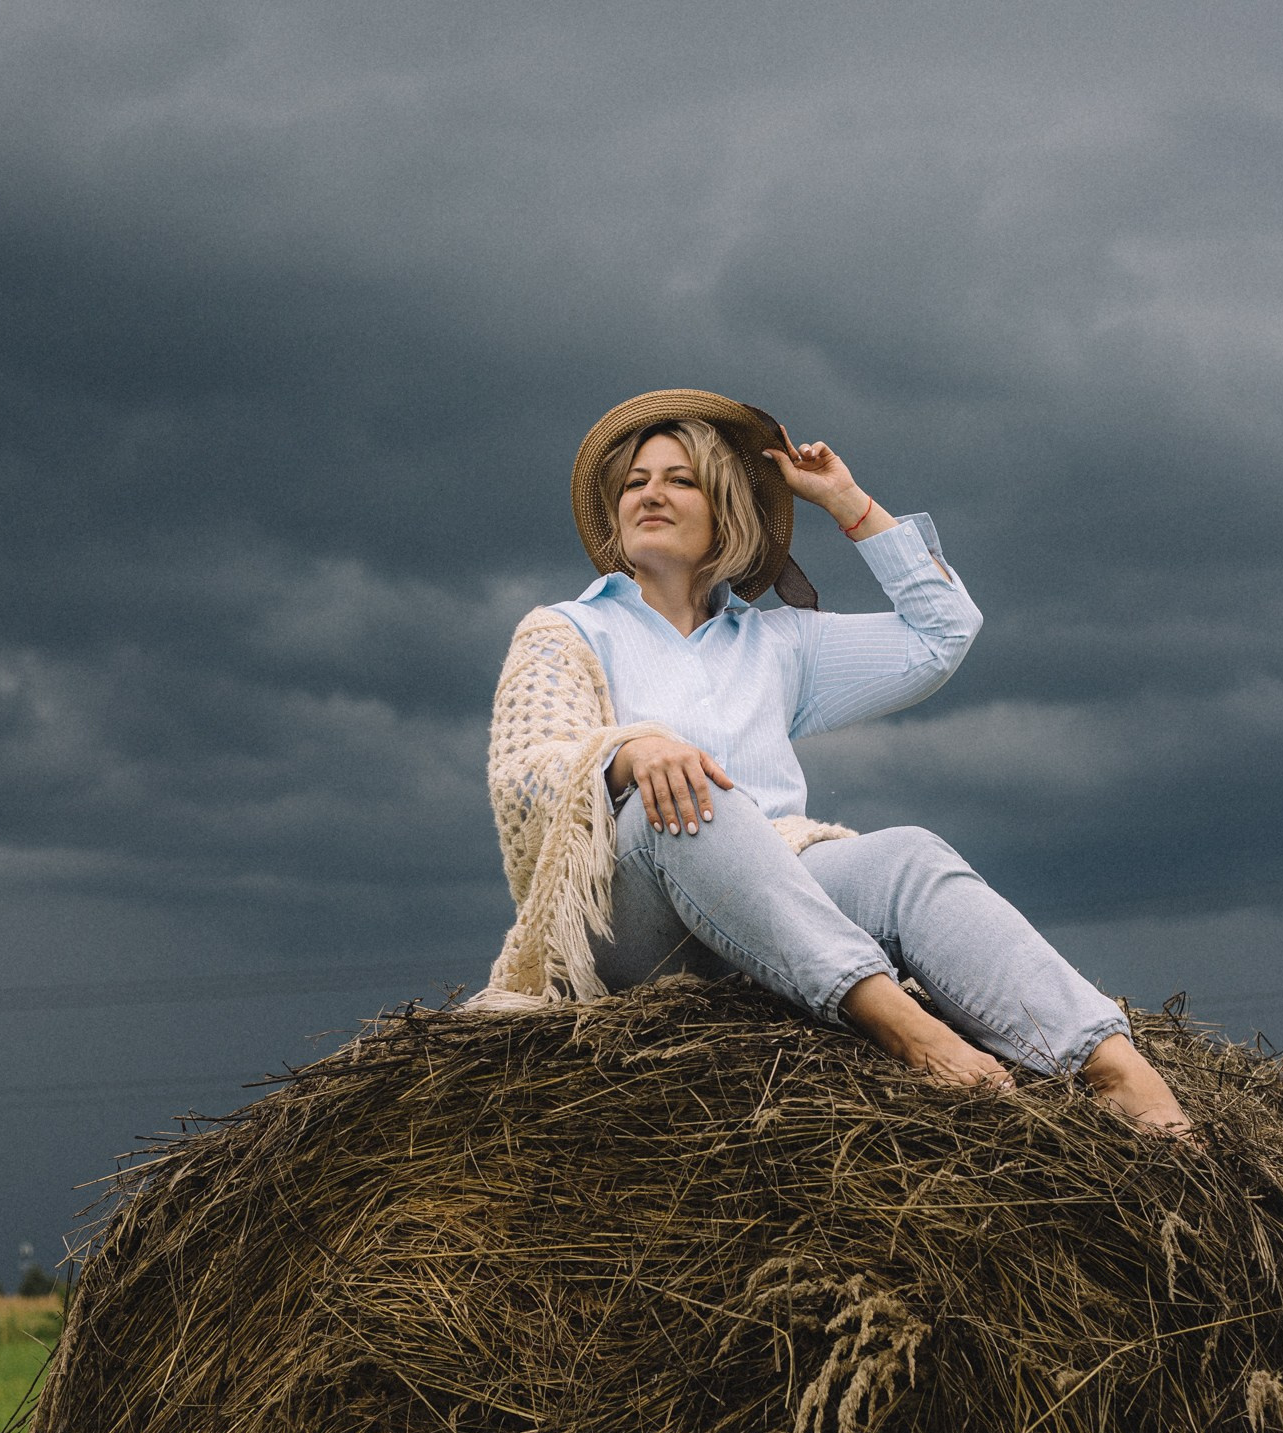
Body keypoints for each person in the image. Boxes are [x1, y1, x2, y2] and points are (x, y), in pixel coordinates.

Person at [477, 388, 1191, 1139]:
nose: (650, 493)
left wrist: (845, 500)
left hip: (774, 913)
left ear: (726, 509)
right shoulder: (566, 630)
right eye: (634, 482)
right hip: (633, 925)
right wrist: (630, 749)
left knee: (908, 856)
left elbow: (942, 634)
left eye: (679, 479)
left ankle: (1112, 1067)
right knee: (694, 796)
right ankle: (905, 1028)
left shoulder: (778, 643)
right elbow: (525, 771)